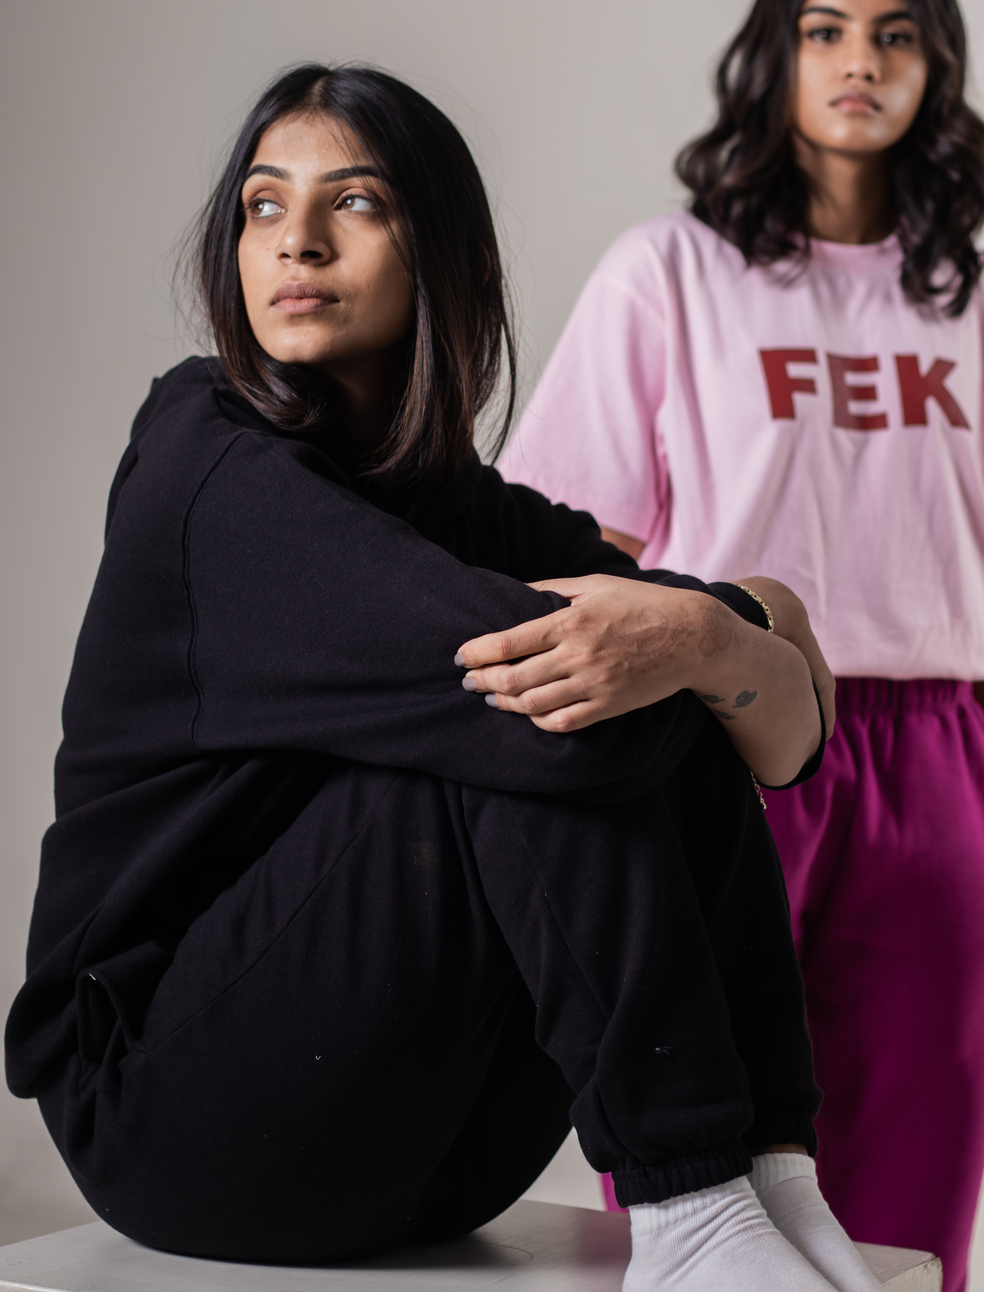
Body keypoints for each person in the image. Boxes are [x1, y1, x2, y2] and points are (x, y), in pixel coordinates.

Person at [5, 63, 870, 1292]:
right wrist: (735, 632)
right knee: (534, 701)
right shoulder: (207, 469)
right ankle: (690, 1212)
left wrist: (715, 638)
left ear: (441, 253)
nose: (296, 240)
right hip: (173, 1115)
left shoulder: (465, 507)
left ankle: (770, 1174)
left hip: (441, 1140)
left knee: (626, 670)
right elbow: (609, 712)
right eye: (263, 205)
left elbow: (785, 743)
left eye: (354, 202)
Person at [498, 0, 984, 1292]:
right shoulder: (673, 269)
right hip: (722, 731)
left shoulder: (970, 291)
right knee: (700, 1161)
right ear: (775, 53)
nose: (860, 62)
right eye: (826, 30)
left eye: (895, 34)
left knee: (918, 1171)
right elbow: (569, 539)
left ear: (937, 64)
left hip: (937, 747)